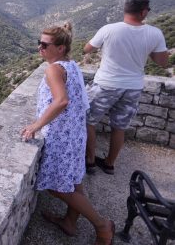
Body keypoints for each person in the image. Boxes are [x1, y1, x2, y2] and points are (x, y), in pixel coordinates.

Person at [21, 23, 114, 244]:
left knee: (55, 186)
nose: (39, 48)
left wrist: (35, 125)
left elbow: (61, 101)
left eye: (44, 44)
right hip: (74, 133)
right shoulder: (70, 65)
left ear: (61, 48)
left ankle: (102, 226)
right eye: (39, 43)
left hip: (61, 135)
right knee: (73, 182)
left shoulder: (53, 69)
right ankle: (70, 222)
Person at [84, 0, 169, 175]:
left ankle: (90, 161)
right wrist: (147, 51)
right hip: (133, 87)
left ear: (125, 9)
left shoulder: (109, 29)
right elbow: (162, 62)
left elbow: (87, 49)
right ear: (143, 12)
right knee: (119, 127)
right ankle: (109, 164)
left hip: (106, 83)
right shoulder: (155, 33)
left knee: (88, 120)